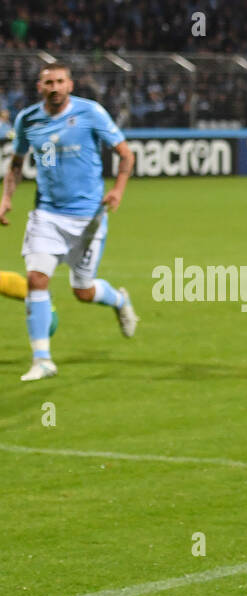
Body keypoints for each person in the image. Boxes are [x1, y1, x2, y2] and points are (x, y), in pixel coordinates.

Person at [0, 62, 137, 382]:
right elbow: (17, 163)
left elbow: (126, 154)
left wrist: (117, 190)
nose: (55, 87)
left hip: (88, 218)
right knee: (36, 279)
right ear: (39, 87)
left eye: (60, 81)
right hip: (46, 214)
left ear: (70, 85)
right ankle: (43, 359)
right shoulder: (28, 120)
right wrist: (6, 198)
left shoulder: (92, 113)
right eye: (48, 82)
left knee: (83, 290)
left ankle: (120, 300)